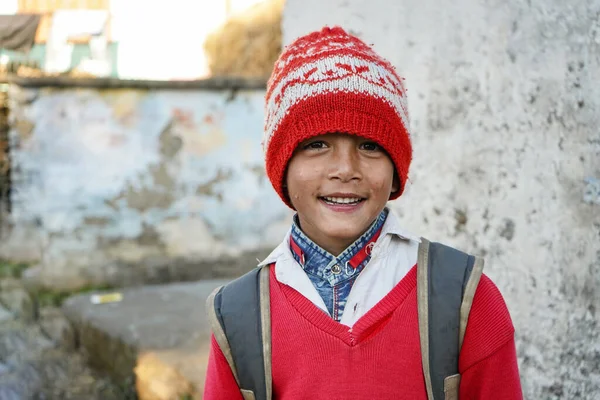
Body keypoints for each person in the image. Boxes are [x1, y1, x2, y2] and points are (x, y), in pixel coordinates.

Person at [203, 25, 523, 399]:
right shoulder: (239, 314)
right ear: (282, 167)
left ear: (395, 170)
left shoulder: (464, 298)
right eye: (317, 144)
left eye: (370, 145)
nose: (345, 168)